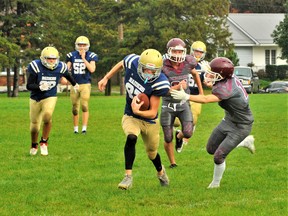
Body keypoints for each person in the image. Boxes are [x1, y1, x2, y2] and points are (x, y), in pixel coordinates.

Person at [171, 57, 256, 188]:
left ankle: (215, 184)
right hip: (228, 120)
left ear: (221, 75)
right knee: (210, 149)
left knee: (218, 156)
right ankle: (245, 142)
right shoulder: (227, 77)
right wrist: (213, 72)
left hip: (242, 125)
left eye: (213, 73)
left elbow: (205, 99)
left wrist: (186, 96)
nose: (209, 75)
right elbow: (218, 83)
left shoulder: (227, 88)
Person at [98, 49, 171, 190]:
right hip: (131, 116)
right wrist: (106, 77)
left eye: (153, 71)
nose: (149, 73)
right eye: (146, 69)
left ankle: (161, 173)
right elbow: (121, 63)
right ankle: (128, 177)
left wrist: (139, 110)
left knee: (152, 153)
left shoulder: (160, 82)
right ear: (139, 65)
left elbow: (153, 112)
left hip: (150, 121)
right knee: (131, 137)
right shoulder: (132, 62)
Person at [26, 46, 78, 156]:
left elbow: (67, 75)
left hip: (50, 96)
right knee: (34, 127)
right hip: (35, 97)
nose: (51, 61)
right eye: (49, 58)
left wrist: (75, 84)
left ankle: (44, 142)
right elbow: (29, 85)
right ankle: (34, 144)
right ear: (43, 58)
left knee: (47, 115)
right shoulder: (36, 66)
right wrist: (39, 87)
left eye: (54, 59)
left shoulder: (60, 67)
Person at [161, 38, 204, 169]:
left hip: (183, 102)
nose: (178, 55)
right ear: (169, 51)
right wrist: (178, 86)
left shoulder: (188, 62)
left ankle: (179, 136)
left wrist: (201, 92)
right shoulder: (162, 65)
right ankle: (173, 162)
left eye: (180, 52)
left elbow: (195, 73)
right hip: (168, 104)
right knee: (167, 137)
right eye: (175, 51)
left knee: (188, 132)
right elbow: (161, 90)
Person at [173, 41, 210, 145]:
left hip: (196, 95)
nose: (198, 54)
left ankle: (183, 137)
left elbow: (207, 83)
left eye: (200, 52)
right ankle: (174, 129)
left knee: (193, 120)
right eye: (196, 51)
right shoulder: (183, 61)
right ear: (191, 51)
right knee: (176, 122)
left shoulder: (204, 66)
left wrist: (207, 73)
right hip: (181, 94)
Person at [66, 36, 98, 134]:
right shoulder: (71, 55)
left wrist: (84, 58)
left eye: (84, 45)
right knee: (75, 107)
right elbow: (66, 70)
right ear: (77, 45)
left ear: (87, 46)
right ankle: (75, 129)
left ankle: (84, 128)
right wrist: (64, 78)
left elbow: (92, 69)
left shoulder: (91, 56)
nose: (82, 47)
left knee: (84, 105)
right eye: (80, 45)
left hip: (85, 84)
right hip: (74, 84)